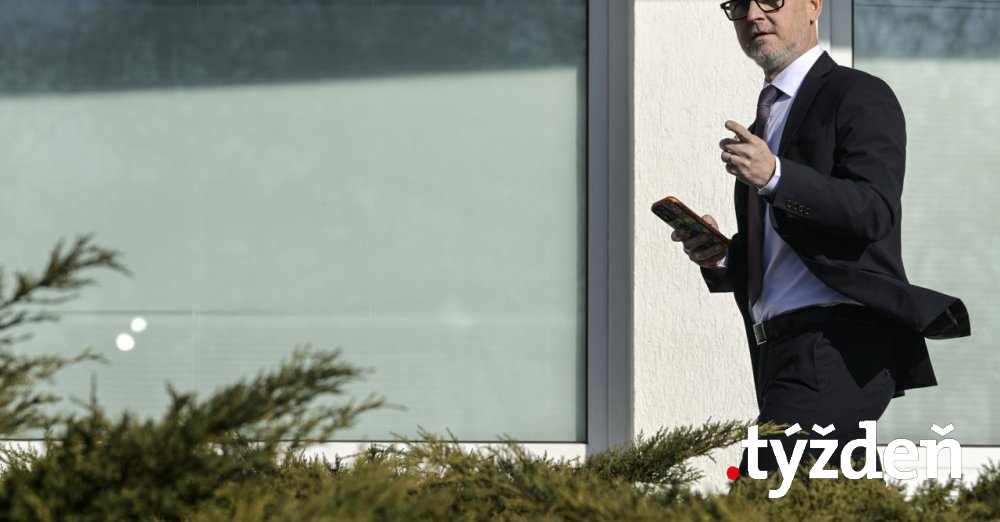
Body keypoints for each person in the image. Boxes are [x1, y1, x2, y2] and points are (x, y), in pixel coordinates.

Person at [671, 0, 970, 476]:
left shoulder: (857, 94)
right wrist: (723, 257)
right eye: (740, 5)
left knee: (764, 491)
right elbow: (784, 254)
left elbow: (874, 210)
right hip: (778, 353)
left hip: (835, 345)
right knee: (827, 497)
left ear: (814, 6)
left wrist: (776, 176)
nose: (753, 15)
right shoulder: (763, 124)